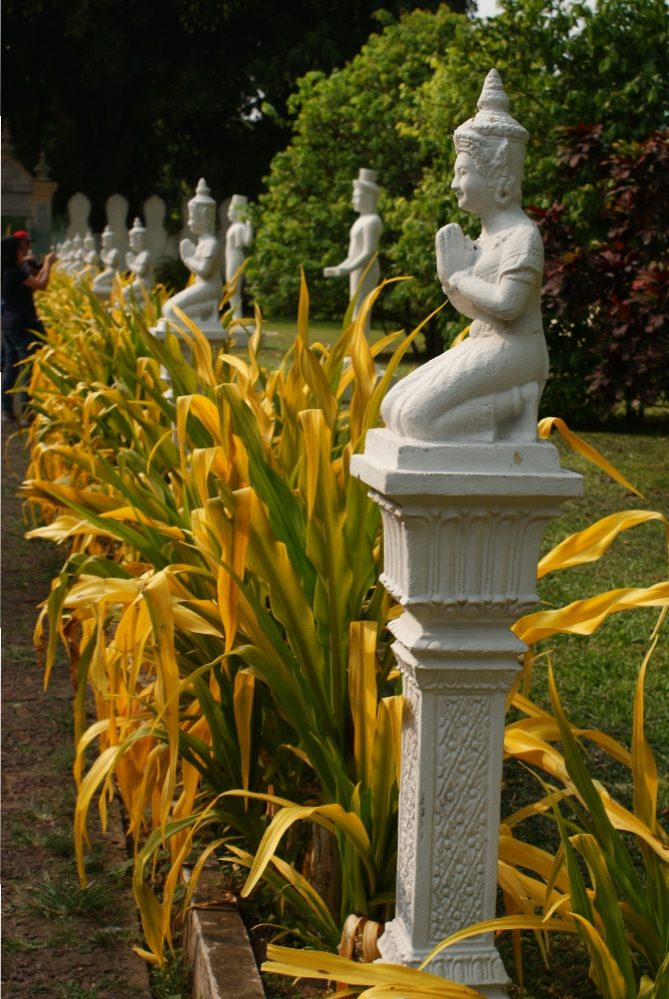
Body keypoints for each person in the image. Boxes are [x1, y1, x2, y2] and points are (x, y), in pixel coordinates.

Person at [380, 69, 548, 443]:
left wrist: (459, 278)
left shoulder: (522, 236)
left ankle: (517, 404)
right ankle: (511, 404)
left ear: (497, 175)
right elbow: (477, 310)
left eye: (463, 172)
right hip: (483, 341)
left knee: (419, 421)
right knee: (391, 407)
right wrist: (449, 278)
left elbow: (507, 305)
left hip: (517, 352)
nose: (455, 183)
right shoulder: (485, 237)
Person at [1, 234, 56, 422]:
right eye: (19, 248)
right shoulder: (16, 272)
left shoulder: (7, 270)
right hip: (23, 324)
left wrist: (40, 270)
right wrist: (48, 264)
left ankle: (6, 408)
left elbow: (30, 287)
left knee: (11, 366)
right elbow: (42, 285)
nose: (22, 252)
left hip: (9, 323)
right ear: (13, 252)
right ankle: (26, 413)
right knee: (27, 368)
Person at [323, 168, 383, 333]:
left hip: (366, 269)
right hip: (357, 269)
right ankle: (353, 348)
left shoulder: (372, 221)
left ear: (369, 198)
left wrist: (347, 268)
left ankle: (359, 349)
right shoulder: (361, 220)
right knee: (354, 307)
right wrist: (340, 267)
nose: (353, 200)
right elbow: (354, 252)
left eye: (356, 197)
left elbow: (369, 252)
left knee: (362, 309)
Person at [161, 178, 221, 327]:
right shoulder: (201, 243)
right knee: (168, 310)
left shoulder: (211, 244)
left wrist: (188, 259)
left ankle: (208, 308)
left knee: (170, 311)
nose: (189, 222)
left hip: (210, 288)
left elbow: (204, 271)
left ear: (206, 218)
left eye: (193, 218)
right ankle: (207, 309)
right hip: (202, 287)